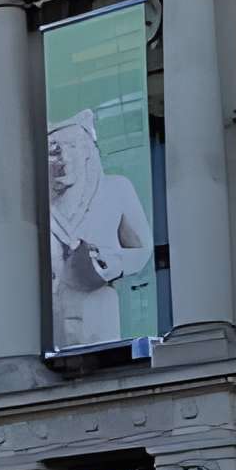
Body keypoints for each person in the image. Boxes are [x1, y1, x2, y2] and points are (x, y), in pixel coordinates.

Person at [47, 111, 154, 349]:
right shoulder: (38, 207)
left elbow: (143, 248)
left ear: (86, 151)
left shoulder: (116, 189)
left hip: (99, 306)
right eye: (54, 150)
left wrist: (110, 260)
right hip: (55, 316)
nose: (63, 157)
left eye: (71, 146)